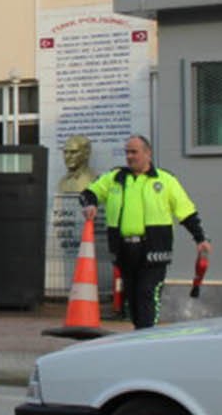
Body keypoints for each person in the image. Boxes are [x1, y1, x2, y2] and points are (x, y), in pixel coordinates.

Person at [79, 135, 211, 329]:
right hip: (124, 249)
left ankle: (147, 336)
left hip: (154, 249)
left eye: (134, 152)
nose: (129, 156)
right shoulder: (115, 179)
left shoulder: (165, 180)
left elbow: (186, 211)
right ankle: (139, 334)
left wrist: (200, 238)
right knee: (132, 297)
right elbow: (88, 193)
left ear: (148, 153)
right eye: (127, 152)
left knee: (147, 293)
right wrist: (89, 204)